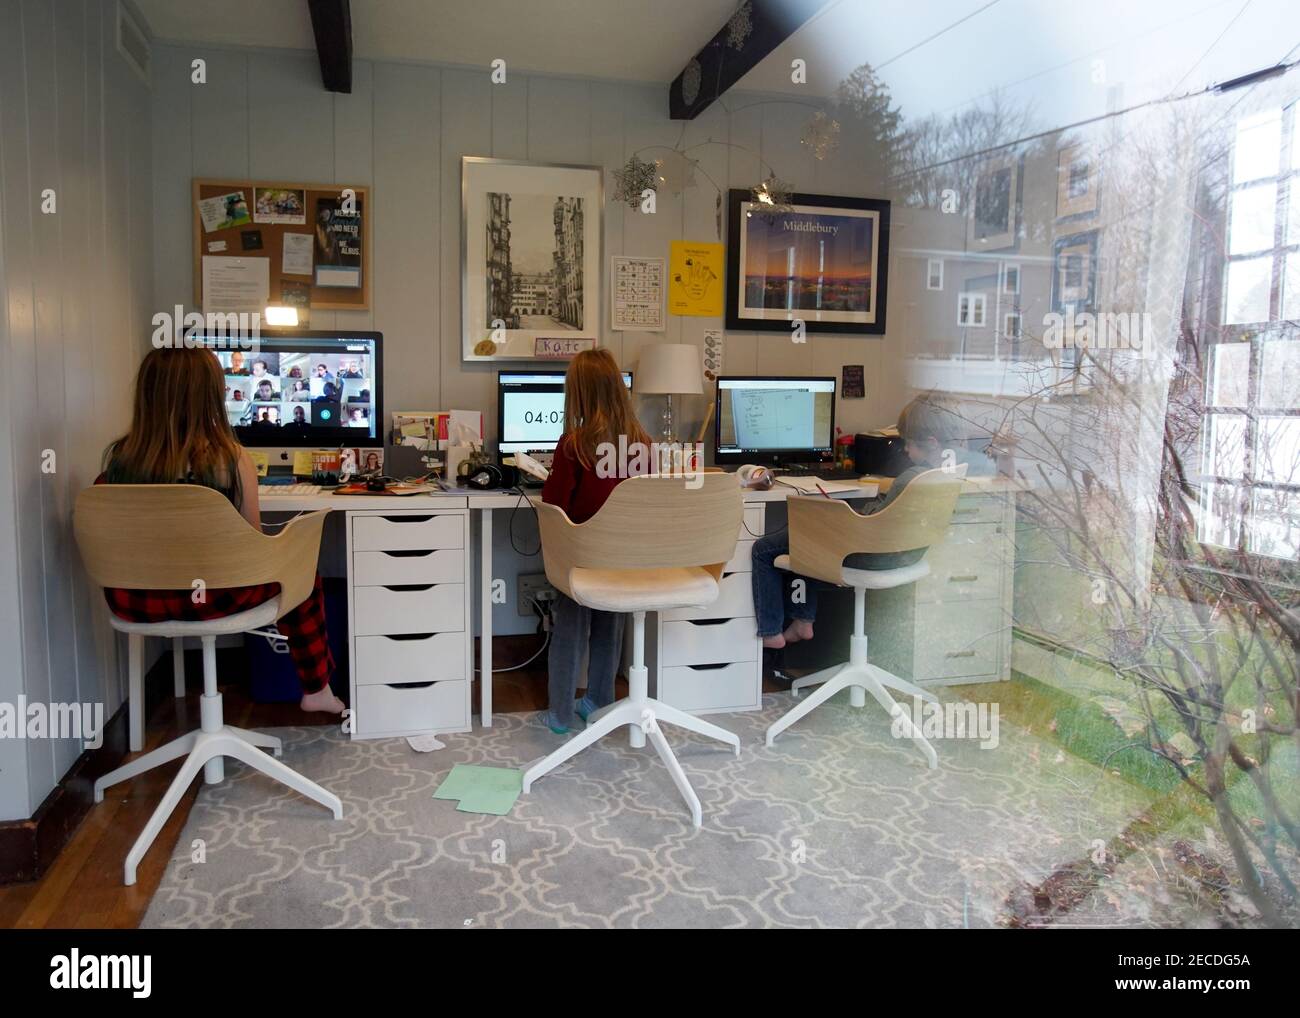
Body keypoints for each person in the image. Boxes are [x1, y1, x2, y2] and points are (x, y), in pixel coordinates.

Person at [99, 346, 345, 714]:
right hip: (211, 596)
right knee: (301, 573)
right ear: (209, 396)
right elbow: (253, 544)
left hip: (134, 599)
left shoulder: (119, 459)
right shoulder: (229, 458)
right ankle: (316, 688)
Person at [752, 393, 989, 650]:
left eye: (909, 444)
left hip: (867, 552)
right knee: (806, 536)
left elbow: (872, 522)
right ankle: (802, 620)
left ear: (931, 443)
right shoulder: (947, 475)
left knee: (769, 547)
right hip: (907, 556)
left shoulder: (910, 477)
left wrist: (841, 513)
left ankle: (770, 631)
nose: (906, 450)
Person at [539, 348, 651, 734]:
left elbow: (554, 504)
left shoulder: (574, 444)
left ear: (580, 395)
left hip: (581, 560)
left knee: (569, 630)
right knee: (609, 628)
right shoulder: (644, 444)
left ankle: (559, 715)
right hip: (625, 562)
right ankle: (598, 701)